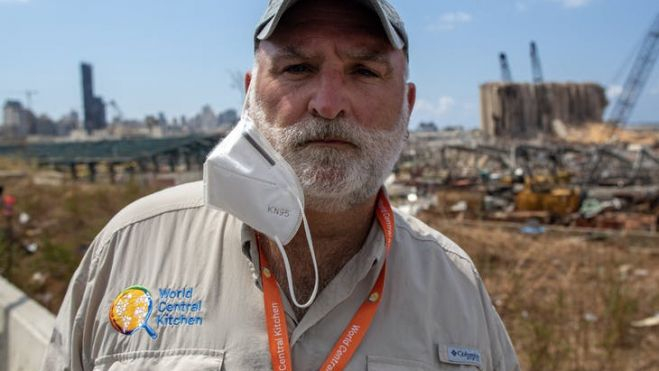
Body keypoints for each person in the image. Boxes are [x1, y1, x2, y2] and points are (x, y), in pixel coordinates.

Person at [43, 0, 520, 370]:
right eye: (297, 69)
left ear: (408, 106)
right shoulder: (129, 249)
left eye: (365, 71)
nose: (328, 104)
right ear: (249, 95)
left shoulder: (456, 288)